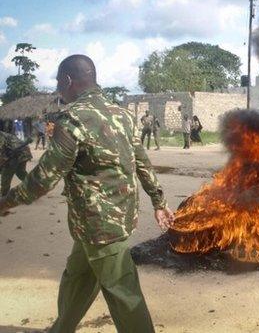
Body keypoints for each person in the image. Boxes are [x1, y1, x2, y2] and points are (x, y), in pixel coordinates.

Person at [0, 54, 175, 333]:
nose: (58, 88)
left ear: (68, 80)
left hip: (99, 224)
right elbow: (142, 160)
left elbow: (44, 179)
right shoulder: (122, 114)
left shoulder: (72, 118)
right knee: (77, 277)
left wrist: (5, 202)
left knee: (123, 291)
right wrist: (159, 201)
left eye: (59, 82)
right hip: (106, 219)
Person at [0, 131, 32, 196]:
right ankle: (33, 187)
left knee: (6, 174)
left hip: (18, 154)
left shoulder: (1, 137)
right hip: (23, 152)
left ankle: (4, 195)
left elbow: (2, 154)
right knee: (20, 172)